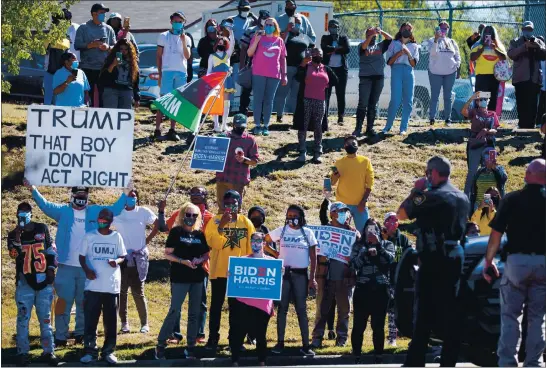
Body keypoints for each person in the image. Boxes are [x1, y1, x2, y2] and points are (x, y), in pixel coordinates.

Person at [23, 180, 128, 347]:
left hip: (88, 267)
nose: (81, 198)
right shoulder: (63, 211)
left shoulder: (94, 211)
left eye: (84, 195)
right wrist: (33, 189)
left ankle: (81, 334)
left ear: (88, 196)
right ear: (72, 196)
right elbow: (44, 205)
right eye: (78, 195)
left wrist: (126, 192)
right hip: (65, 266)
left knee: (83, 303)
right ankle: (60, 335)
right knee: (62, 303)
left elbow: (113, 210)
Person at [396, 156, 470, 366]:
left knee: (424, 312)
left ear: (434, 173)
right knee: (451, 312)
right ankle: (448, 361)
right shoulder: (462, 196)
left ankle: (415, 361)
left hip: (433, 255)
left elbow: (401, 214)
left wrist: (416, 191)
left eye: (428, 172)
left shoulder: (432, 196)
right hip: (455, 254)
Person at [484, 158, 546, 367]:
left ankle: (508, 362)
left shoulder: (512, 199)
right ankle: (533, 362)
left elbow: (496, 233)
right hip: (544, 263)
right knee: (538, 317)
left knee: (511, 315)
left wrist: (488, 261)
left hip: (516, 262)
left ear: (527, 176)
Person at [155, 203, 210, 360]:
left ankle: (190, 346)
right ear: (182, 215)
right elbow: (167, 254)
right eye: (188, 214)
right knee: (174, 310)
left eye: (194, 215)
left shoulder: (200, 234)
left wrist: (200, 259)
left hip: (198, 278)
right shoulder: (176, 232)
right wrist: (182, 261)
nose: (191, 218)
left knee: (194, 313)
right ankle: (160, 344)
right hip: (180, 277)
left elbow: (207, 254)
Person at [8, 202, 58, 367]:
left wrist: (51, 270)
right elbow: (14, 255)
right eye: (20, 212)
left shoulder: (42, 228)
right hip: (25, 283)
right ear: (16, 214)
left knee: (45, 319)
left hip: (44, 280)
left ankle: (48, 351)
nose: (23, 215)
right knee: (23, 319)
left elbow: (50, 250)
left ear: (31, 213)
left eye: (26, 212)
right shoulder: (12, 235)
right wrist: (16, 237)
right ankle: (23, 353)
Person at [204, 190, 255, 351]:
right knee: (216, 306)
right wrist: (223, 225)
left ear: (239, 204)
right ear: (222, 204)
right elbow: (214, 243)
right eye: (227, 204)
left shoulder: (246, 222)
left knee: (237, 308)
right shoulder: (215, 221)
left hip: (238, 273)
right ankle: (213, 339)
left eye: (234, 203)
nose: (230, 206)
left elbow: (251, 249)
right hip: (219, 271)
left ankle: (235, 340)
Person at [164, 187, 214, 344]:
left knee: (200, 304)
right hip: (180, 270)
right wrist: (160, 211)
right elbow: (165, 228)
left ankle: (199, 334)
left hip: (202, 268)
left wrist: (202, 259)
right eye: (192, 193)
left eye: (199, 193)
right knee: (176, 304)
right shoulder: (180, 213)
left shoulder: (211, 218)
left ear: (205, 196)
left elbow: (212, 245)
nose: (195, 196)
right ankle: (175, 334)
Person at [266, 205, 318, 357]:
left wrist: (312, 278)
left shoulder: (307, 232)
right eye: (289, 215)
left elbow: (314, 257)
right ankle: (280, 343)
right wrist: (275, 253)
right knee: (282, 309)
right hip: (284, 275)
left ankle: (306, 345)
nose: (291, 217)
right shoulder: (281, 230)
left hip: (301, 275)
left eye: (294, 215)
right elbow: (265, 241)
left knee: (301, 309)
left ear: (301, 217)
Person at [79, 209, 127, 365]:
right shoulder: (89, 236)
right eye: (100, 218)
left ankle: (108, 351)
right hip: (93, 287)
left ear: (110, 221)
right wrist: (87, 270)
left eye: (105, 218)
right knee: (90, 321)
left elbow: (122, 256)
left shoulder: (116, 237)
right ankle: (90, 351)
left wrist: (116, 261)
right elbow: (81, 257)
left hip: (111, 287)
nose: (102, 220)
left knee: (110, 322)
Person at [311, 201, 357, 348]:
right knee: (321, 309)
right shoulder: (323, 232)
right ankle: (317, 338)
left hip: (345, 278)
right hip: (325, 277)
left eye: (345, 212)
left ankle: (341, 339)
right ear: (332, 213)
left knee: (344, 310)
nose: (344, 214)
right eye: (340, 211)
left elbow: (359, 253)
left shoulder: (353, 233)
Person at [113, 189, 159, 334]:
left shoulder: (143, 211)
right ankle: (124, 323)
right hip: (122, 258)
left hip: (139, 258)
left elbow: (158, 224)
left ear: (137, 198)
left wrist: (146, 241)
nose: (131, 198)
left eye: (133, 196)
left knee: (138, 292)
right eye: (128, 196)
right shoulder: (117, 213)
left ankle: (144, 323)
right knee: (122, 291)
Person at [350, 218, 395, 364]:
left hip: (381, 290)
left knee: (378, 325)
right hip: (363, 289)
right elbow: (354, 265)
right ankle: (356, 354)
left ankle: (378, 355)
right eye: (368, 229)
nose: (371, 232)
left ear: (379, 230)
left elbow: (390, 261)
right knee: (359, 325)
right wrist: (364, 252)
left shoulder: (387, 244)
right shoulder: (358, 245)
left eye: (374, 229)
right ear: (364, 231)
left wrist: (379, 247)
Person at [229, 232, 275, 367]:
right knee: (239, 332)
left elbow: (275, 285)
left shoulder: (272, 263)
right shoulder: (242, 260)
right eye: (253, 241)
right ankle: (235, 361)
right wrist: (230, 274)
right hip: (243, 304)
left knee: (261, 334)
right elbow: (234, 280)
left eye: (258, 241)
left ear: (264, 244)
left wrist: (280, 274)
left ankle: (262, 361)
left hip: (263, 305)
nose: (255, 244)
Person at [293, 48, 338, 164]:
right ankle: (302, 152)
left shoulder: (326, 68)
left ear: (322, 56)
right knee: (303, 126)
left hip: (320, 101)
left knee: (318, 127)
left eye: (319, 54)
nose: (317, 56)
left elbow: (336, 80)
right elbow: (297, 77)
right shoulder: (306, 66)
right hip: (305, 101)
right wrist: (303, 64)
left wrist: (326, 85)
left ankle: (317, 152)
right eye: (314, 54)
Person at [247, 17, 287, 136]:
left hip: (274, 74)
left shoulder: (279, 41)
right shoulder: (257, 37)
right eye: (267, 24)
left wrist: (284, 75)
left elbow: (283, 59)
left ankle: (266, 126)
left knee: (269, 101)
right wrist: (256, 40)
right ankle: (257, 125)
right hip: (258, 73)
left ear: (275, 27)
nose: (269, 26)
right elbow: (249, 53)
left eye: (271, 25)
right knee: (258, 100)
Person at [155, 12, 191, 141]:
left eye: (180, 21)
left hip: (181, 72)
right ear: (171, 22)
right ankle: (157, 129)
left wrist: (182, 41)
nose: (178, 23)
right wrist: (160, 74)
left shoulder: (186, 38)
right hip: (167, 71)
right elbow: (159, 56)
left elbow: (187, 56)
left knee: (176, 101)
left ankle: (172, 129)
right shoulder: (163, 36)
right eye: (176, 21)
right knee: (163, 101)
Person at [74, 3, 116, 107]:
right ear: (94, 14)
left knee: (104, 94)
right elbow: (77, 45)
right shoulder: (83, 28)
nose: (104, 15)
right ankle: (86, 114)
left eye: (105, 13)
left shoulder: (109, 29)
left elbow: (115, 47)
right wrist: (90, 45)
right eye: (101, 13)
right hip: (87, 67)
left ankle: (102, 115)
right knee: (88, 94)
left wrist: (108, 47)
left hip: (103, 68)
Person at [274, 14, 313, 124]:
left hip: (300, 69)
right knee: (282, 93)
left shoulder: (305, 37)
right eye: (295, 22)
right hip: (287, 68)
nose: (297, 24)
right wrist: (287, 29)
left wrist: (308, 59)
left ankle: (295, 117)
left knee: (296, 95)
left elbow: (311, 48)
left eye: (299, 22)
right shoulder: (285, 34)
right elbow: (279, 43)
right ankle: (279, 116)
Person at [353, 26, 393, 137]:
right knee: (363, 104)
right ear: (366, 36)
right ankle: (358, 128)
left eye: (374, 35)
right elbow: (364, 46)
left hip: (378, 78)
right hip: (366, 78)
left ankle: (369, 128)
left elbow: (390, 39)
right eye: (370, 35)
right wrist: (370, 36)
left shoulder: (380, 46)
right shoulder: (361, 46)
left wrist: (381, 31)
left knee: (373, 104)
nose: (373, 37)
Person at [215, 114, 259, 212]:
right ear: (233, 125)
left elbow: (255, 161)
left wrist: (244, 159)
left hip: (238, 180)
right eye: (238, 126)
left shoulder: (249, 140)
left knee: (235, 209)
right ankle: (220, 226)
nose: (240, 128)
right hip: (223, 178)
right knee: (222, 208)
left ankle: (235, 226)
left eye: (242, 127)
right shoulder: (225, 137)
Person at [331, 135, 375, 234]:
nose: (350, 145)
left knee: (365, 232)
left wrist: (363, 201)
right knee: (340, 233)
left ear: (358, 145)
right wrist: (335, 175)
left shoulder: (365, 161)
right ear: (344, 146)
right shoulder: (339, 162)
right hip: (342, 205)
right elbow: (332, 182)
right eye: (347, 143)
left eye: (353, 143)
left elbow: (370, 183)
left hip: (360, 204)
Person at [381, 212, 413, 347]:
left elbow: (409, 255)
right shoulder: (380, 238)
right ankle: (385, 337)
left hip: (398, 278)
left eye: (396, 220)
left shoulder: (403, 239)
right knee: (385, 309)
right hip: (382, 278)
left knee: (396, 309)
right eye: (391, 220)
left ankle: (396, 335)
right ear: (385, 223)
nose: (394, 222)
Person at [383, 22, 420, 135]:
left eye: (409, 29)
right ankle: (387, 127)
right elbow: (389, 62)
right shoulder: (393, 43)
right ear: (401, 29)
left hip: (409, 72)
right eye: (405, 28)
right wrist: (399, 53)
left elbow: (414, 64)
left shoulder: (414, 46)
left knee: (408, 101)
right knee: (395, 100)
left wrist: (408, 54)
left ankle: (403, 128)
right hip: (397, 70)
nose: (407, 30)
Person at [508, 21, 546, 129]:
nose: (528, 31)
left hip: (535, 79)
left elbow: (544, 54)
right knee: (522, 104)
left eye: (530, 29)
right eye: (526, 29)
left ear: (532, 30)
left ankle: (531, 127)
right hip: (520, 79)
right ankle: (522, 126)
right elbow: (511, 54)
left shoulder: (538, 41)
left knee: (533, 105)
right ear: (522, 29)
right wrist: (524, 46)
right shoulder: (515, 41)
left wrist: (537, 46)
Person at [461, 91, 500, 195]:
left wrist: (486, 130)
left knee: (491, 171)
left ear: (488, 101)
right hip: (475, 145)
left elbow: (495, 130)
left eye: (485, 99)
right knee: (472, 172)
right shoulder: (474, 112)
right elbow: (463, 111)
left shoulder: (493, 114)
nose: (483, 101)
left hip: (489, 145)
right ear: (477, 102)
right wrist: (471, 98)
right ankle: (467, 197)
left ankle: (490, 196)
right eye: (480, 100)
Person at [427, 21, 461, 125]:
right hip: (435, 72)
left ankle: (448, 119)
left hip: (450, 72)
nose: (443, 30)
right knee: (435, 96)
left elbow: (457, 56)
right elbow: (433, 54)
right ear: (437, 29)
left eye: (445, 28)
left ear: (448, 30)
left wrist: (457, 64)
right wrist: (436, 39)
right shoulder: (431, 40)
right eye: (441, 28)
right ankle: (432, 118)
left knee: (448, 96)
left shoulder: (452, 41)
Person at [239, 10, 270, 116]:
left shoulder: (271, 32)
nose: (264, 20)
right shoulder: (251, 30)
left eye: (266, 18)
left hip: (265, 67)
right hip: (250, 65)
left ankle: (261, 114)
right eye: (263, 18)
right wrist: (242, 65)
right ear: (259, 19)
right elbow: (243, 48)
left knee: (262, 92)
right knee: (246, 90)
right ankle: (242, 111)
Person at [470, 25, 507, 112]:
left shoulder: (499, 45)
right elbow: (472, 58)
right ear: (483, 34)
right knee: (482, 99)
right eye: (486, 33)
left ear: (494, 35)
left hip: (495, 76)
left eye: (490, 33)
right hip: (481, 76)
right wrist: (482, 48)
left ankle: (490, 119)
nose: (488, 34)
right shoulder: (478, 45)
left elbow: (504, 58)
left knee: (492, 99)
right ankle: (479, 119)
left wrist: (495, 49)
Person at [321, 19, 350, 128]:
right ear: (328, 28)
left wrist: (332, 50)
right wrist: (337, 48)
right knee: (326, 94)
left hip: (341, 70)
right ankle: (325, 116)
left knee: (340, 94)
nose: (334, 28)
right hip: (328, 69)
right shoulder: (325, 38)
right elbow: (324, 48)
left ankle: (341, 116)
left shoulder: (343, 38)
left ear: (339, 28)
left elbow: (347, 49)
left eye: (336, 26)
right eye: (332, 26)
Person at [207, 32, 236, 132]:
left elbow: (232, 44)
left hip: (226, 81)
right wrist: (208, 84)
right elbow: (209, 71)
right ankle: (216, 124)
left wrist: (231, 33)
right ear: (215, 44)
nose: (221, 44)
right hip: (216, 82)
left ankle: (224, 124)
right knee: (215, 103)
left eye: (223, 43)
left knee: (226, 103)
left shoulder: (227, 55)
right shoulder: (212, 56)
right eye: (219, 42)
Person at [99, 38, 140, 109]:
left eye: (126, 49)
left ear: (129, 50)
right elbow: (103, 76)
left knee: (124, 114)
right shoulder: (111, 59)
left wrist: (137, 98)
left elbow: (135, 80)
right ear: (118, 49)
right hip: (111, 89)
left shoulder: (132, 62)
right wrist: (113, 65)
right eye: (121, 49)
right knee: (111, 113)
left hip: (126, 90)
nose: (123, 51)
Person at [44, 11, 71, 105]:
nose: (69, 24)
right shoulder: (51, 37)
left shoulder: (66, 37)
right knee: (49, 99)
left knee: (59, 100)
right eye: (67, 21)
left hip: (61, 74)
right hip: (51, 73)